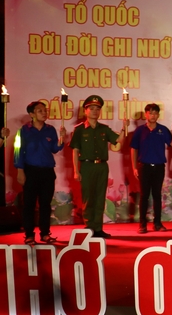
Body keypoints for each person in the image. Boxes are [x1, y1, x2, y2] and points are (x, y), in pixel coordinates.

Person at [70, 95, 127, 238]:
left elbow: (118, 141)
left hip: (102, 167)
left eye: (97, 109)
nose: (95, 111)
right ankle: (90, 227)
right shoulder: (80, 130)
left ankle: (98, 228)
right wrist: (76, 171)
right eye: (92, 108)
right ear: (85, 111)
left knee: (100, 198)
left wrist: (124, 128)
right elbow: (75, 150)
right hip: (87, 166)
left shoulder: (104, 129)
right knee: (88, 198)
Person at [14, 101, 65, 245]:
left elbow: (55, 148)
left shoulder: (50, 130)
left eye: (45, 110)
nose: (44, 113)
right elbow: (18, 150)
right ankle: (29, 235)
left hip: (47, 172)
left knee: (45, 204)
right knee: (29, 204)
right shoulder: (24, 131)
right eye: (40, 111)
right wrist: (20, 170)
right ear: (31, 114)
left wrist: (61, 139)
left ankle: (45, 233)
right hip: (30, 171)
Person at [130, 103, 172, 234]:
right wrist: (134, 167)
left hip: (159, 167)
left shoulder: (163, 130)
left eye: (155, 113)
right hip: (144, 167)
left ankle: (157, 223)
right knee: (144, 196)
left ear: (158, 115)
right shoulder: (140, 130)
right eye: (150, 113)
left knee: (157, 195)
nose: (153, 115)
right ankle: (142, 224)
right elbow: (134, 149)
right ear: (146, 114)